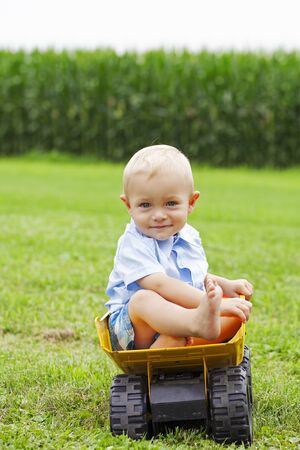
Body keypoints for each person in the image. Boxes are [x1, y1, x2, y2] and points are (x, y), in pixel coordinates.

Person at [105, 145, 253, 350]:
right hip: (134, 331)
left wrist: (224, 285)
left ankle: (175, 342)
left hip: (176, 322)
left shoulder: (188, 236)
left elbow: (190, 277)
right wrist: (211, 305)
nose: (158, 215)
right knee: (142, 299)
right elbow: (160, 284)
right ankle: (193, 325)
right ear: (129, 205)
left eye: (171, 203)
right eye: (145, 205)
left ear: (191, 202)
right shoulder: (133, 243)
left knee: (236, 313)